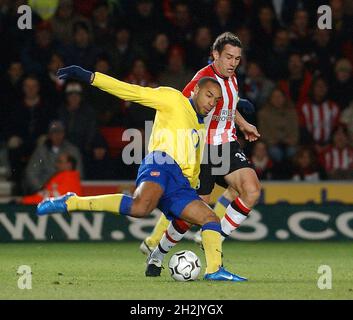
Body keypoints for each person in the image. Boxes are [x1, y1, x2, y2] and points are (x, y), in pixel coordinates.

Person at [37, 64, 246, 282]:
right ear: (194, 91)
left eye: (215, 99)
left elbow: (193, 165)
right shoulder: (172, 99)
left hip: (180, 182)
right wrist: (89, 77)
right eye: (208, 95)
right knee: (140, 207)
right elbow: (130, 91)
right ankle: (72, 202)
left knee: (209, 217)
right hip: (160, 163)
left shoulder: (200, 126)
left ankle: (213, 269)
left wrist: (191, 187)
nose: (211, 102)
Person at [141, 32, 261, 275]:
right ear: (215, 55)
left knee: (251, 189)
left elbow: (228, 104)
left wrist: (242, 122)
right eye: (228, 57)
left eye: (237, 58)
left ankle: (217, 241)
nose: (233, 63)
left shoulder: (232, 77)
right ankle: (158, 252)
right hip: (204, 150)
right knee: (195, 210)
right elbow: (182, 111)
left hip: (226, 144)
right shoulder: (201, 82)